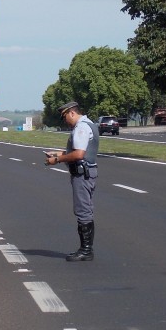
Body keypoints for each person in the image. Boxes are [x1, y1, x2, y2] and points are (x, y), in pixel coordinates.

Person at [44, 101, 99, 261]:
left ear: (72, 113)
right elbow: (77, 151)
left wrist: (58, 159)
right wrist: (57, 153)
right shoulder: (89, 124)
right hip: (86, 172)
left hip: (82, 174)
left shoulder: (81, 127)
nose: (65, 121)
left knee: (83, 211)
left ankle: (86, 250)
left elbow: (79, 154)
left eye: (65, 117)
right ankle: (86, 249)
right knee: (85, 210)